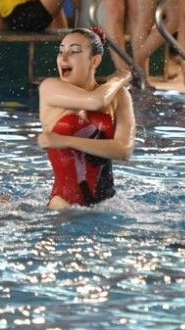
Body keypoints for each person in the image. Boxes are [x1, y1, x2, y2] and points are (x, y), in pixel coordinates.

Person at [37, 28, 135, 209]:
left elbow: (123, 150)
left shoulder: (119, 97)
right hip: (63, 209)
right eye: (61, 51)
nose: (64, 57)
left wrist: (65, 140)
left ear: (95, 61)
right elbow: (96, 101)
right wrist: (119, 78)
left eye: (74, 51)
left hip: (107, 207)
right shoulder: (49, 88)